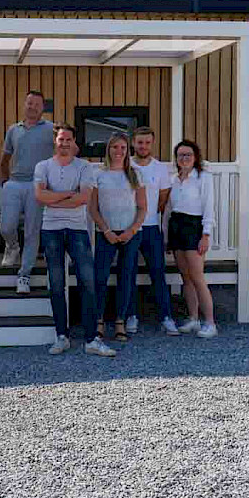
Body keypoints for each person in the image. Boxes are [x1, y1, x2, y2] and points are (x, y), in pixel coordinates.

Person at [34, 125, 115, 357]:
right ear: (55, 141)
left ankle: (91, 339)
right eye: (61, 139)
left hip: (77, 229)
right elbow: (39, 196)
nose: (64, 143)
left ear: (74, 142)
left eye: (68, 139)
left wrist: (54, 198)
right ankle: (62, 336)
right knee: (56, 283)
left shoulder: (84, 167)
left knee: (87, 282)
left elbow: (83, 198)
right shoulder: (43, 166)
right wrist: (68, 194)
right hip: (51, 229)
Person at [88, 133, 147, 343]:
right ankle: (99, 320)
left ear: (127, 150)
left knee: (126, 277)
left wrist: (131, 230)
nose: (119, 151)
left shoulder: (135, 174)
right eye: (115, 147)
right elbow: (93, 208)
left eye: (123, 147)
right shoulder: (98, 174)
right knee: (100, 277)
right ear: (108, 149)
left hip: (131, 234)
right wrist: (106, 231)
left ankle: (120, 320)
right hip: (106, 234)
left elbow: (142, 207)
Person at [0, 89, 56, 294]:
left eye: (37, 104)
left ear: (42, 108)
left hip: (37, 185)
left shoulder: (51, 129)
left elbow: (69, 150)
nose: (32, 107)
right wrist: (6, 181)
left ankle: (24, 274)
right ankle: (12, 246)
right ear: (25, 105)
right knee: (6, 227)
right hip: (14, 183)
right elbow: (5, 158)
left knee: (32, 231)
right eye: (30, 103)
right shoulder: (14, 129)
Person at [125, 127, 180, 336]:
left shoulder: (160, 169)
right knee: (128, 272)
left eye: (147, 142)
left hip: (151, 228)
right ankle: (131, 315)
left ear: (152, 143)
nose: (143, 146)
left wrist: (148, 215)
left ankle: (166, 317)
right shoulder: (126, 165)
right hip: (129, 227)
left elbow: (162, 199)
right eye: (140, 142)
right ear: (133, 143)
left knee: (158, 272)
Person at [169, 139, 217, 338]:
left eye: (188, 154)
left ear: (195, 157)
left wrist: (205, 235)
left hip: (194, 227)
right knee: (186, 277)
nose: (184, 158)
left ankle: (210, 323)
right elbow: (169, 209)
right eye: (180, 155)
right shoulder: (174, 179)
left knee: (197, 277)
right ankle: (193, 319)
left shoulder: (203, 177)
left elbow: (209, 207)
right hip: (177, 227)